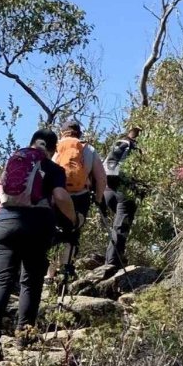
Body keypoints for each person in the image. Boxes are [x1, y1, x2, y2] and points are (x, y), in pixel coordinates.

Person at [0, 129, 77, 361]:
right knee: (31, 280)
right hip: (36, 225)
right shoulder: (52, 168)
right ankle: (25, 334)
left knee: (1, 278)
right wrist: (73, 220)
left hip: (3, 223)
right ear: (53, 150)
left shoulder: (11, 164)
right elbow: (61, 197)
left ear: (31, 143)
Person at [51, 119, 107, 279]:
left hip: (57, 195)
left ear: (62, 132)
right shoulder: (88, 148)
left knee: (54, 233)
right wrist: (97, 197)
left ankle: (49, 275)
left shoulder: (55, 148)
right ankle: (66, 270)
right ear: (79, 133)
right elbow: (101, 179)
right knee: (72, 232)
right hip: (80, 196)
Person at [100, 126, 141, 270]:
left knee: (118, 226)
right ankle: (112, 263)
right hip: (123, 189)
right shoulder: (128, 144)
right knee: (120, 226)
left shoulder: (121, 143)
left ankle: (114, 258)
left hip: (108, 190)